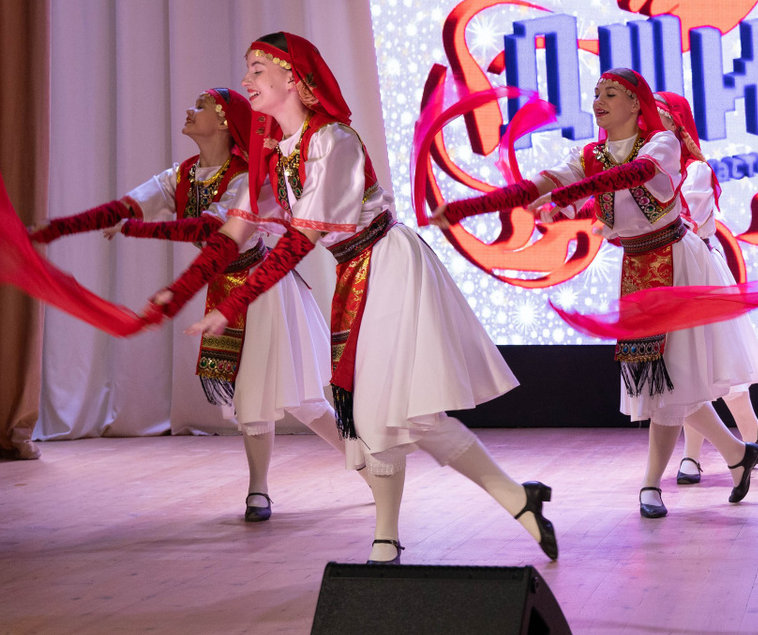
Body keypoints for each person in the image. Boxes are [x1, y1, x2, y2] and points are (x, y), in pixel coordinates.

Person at [147, 33, 553, 564]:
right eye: (248, 69)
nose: (246, 79)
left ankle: (388, 540)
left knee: (382, 410)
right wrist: (183, 291)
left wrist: (230, 304)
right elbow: (237, 228)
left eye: (258, 68)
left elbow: (302, 238)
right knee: (403, 418)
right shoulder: (277, 150)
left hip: (388, 264)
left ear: (294, 77)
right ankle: (515, 500)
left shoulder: (332, 141)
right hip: (356, 270)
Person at [443, 68, 758, 519]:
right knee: (667, 380)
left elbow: (635, 174)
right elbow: (545, 182)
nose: (599, 101)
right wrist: (474, 206)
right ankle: (737, 454)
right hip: (637, 267)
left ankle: (651, 485)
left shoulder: (661, 144)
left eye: (611, 93)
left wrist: (569, 194)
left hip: (677, 262)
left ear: (636, 103)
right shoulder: (591, 155)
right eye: (596, 93)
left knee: (669, 379)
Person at [32, 87, 341, 522]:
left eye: (201, 106)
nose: (189, 111)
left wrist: (137, 229)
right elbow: (121, 207)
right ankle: (264, 489)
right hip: (223, 289)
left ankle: (355, 465)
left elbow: (210, 231)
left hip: (264, 291)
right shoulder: (182, 175)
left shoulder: (246, 178)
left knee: (292, 400)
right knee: (260, 397)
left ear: (224, 120)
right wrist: (57, 229)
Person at [652, 90, 758, 486]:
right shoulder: (646, 166)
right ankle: (739, 440)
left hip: (698, 270)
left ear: (677, 123)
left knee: (709, 364)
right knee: (696, 367)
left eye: (660, 115)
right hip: (667, 272)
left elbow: (685, 220)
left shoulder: (695, 170)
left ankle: (715, 449)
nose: (651, 123)